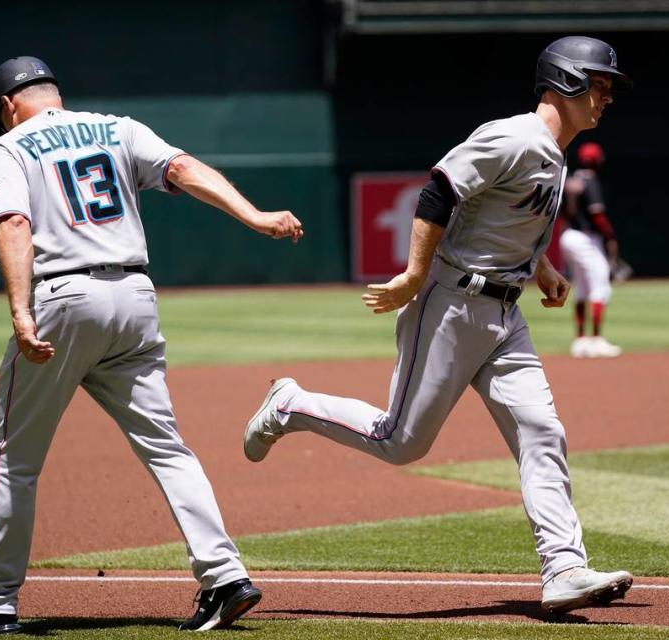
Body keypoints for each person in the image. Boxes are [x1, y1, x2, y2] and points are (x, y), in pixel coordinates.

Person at [243, 36, 633, 615]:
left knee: (541, 432)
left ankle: (563, 569)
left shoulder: (556, 150)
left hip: (505, 314)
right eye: (598, 85)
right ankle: (290, 405)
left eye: (607, 89)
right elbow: (441, 190)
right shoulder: (514, 135)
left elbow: (505, 218)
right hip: (450, 304)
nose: (605, 98)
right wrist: (412, 274)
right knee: (399, 442)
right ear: (566, 81)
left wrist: (543, 267)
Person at [0, 56, 303, 635]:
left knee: (13, 457)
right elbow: (182, 168)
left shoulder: (8, 147)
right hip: (133, 295)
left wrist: (22, 311)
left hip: (64, 297)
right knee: (167, 447)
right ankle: (225, 576)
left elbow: (14, 224)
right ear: (53, 94)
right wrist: (253, 216)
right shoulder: (117, 126)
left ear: (6, 107)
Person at [559, 142, 622, 358]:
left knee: (583, 288)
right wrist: (610, 235)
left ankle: (580, 341)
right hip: (586, 238)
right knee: (600, 286)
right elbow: (597, 215)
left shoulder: (571, 181)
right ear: (597, 161)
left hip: (568, 236)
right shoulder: (590, 181)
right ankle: (596, 340)